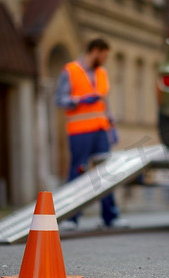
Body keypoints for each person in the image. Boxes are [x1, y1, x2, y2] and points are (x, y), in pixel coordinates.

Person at [55, 38, 126, 229]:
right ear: (95, 51)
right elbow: (60, 99)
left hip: (101, 131)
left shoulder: (101, 73)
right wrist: (78, 100)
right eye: (103, 55)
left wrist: (112, 127)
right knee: (78, 171)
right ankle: (70, 218)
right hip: (80, 132)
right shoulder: (70, 71)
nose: (104, 60)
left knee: (105, 173)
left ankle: (110, 217)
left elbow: (104, 103)